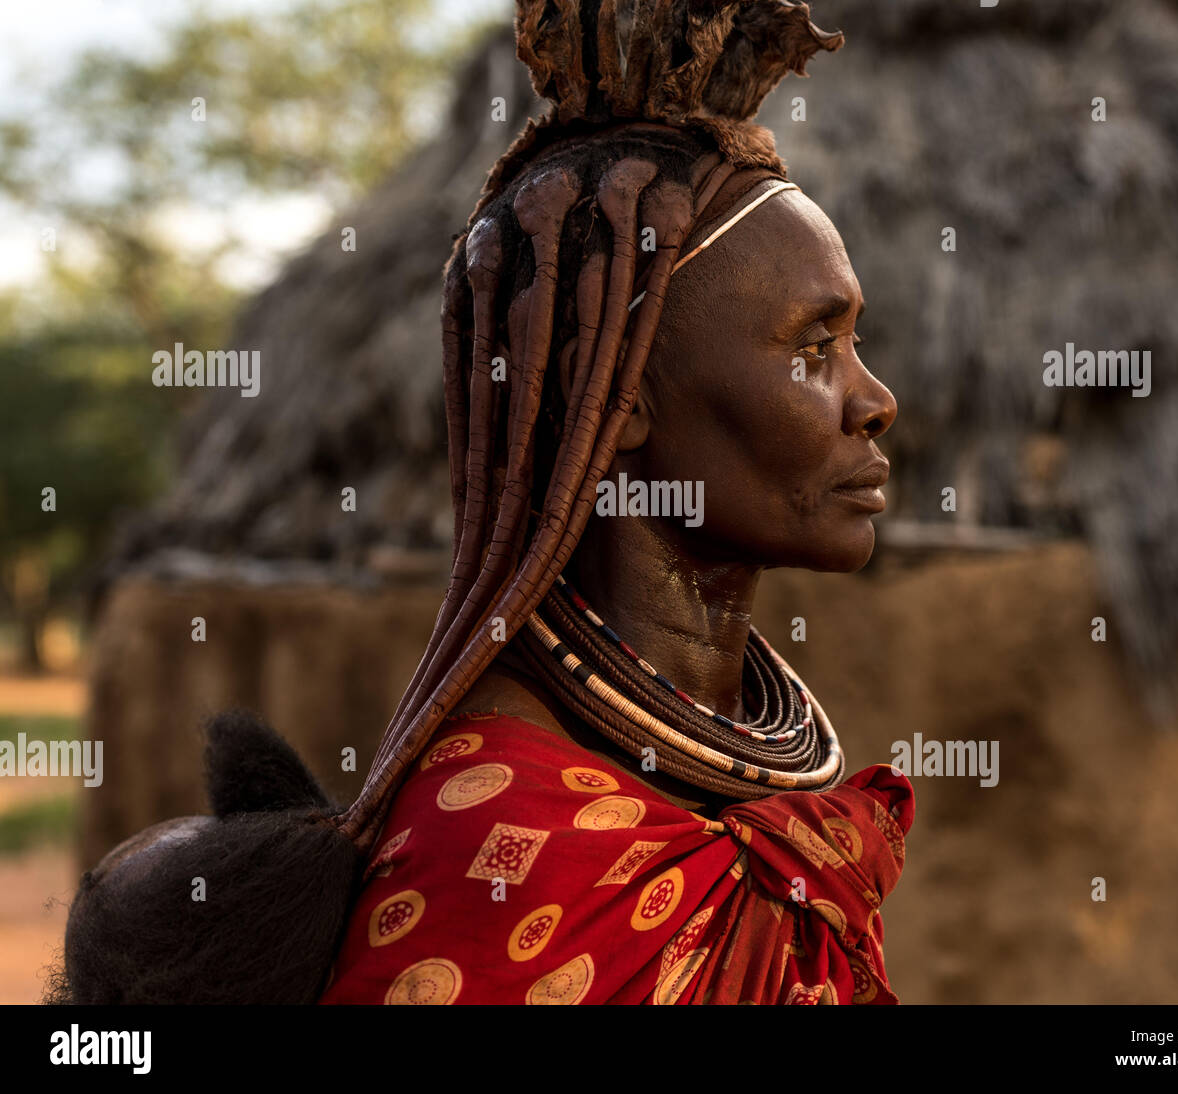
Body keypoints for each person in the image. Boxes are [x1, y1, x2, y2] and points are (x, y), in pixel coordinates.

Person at [47, 0, 914, 1006]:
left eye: (854, 344)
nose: (874, 400)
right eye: (814, 349)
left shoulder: (765, 824)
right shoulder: (502, 863)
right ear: (621, 392)